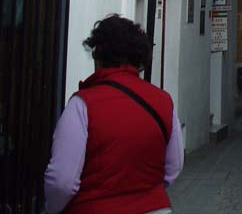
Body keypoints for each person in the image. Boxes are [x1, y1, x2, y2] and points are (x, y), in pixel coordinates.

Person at [44, 14, 184, 213]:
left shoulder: (83, 104)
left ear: (99, 55)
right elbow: (174, 167)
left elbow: (62, 181)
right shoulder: (163, 101)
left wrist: (52, 209)